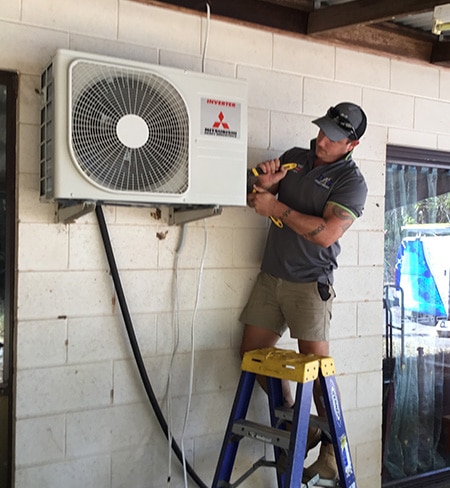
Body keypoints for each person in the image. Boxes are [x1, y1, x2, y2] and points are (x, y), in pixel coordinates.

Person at [239, 102, 368, 481]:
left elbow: (327, 233)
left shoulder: (352, 183)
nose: (322, 140)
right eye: (322, 130)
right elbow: (256, 200)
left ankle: (329, 451)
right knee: (249, 355)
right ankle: (300, 421)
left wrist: (275, 205)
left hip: (311, 284)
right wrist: (263, 185)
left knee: (320, 376)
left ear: (352, 144)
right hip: (271, 276)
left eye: (334, 137)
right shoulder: (297, 158)